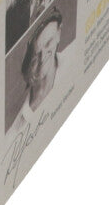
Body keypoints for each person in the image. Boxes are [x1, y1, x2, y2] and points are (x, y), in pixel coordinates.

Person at [7, 8, 68, 137]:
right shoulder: (16, 130)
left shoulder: (75, 54)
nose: (42, 57)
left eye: (48, 43)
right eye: (35, 54)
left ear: (59, 33)